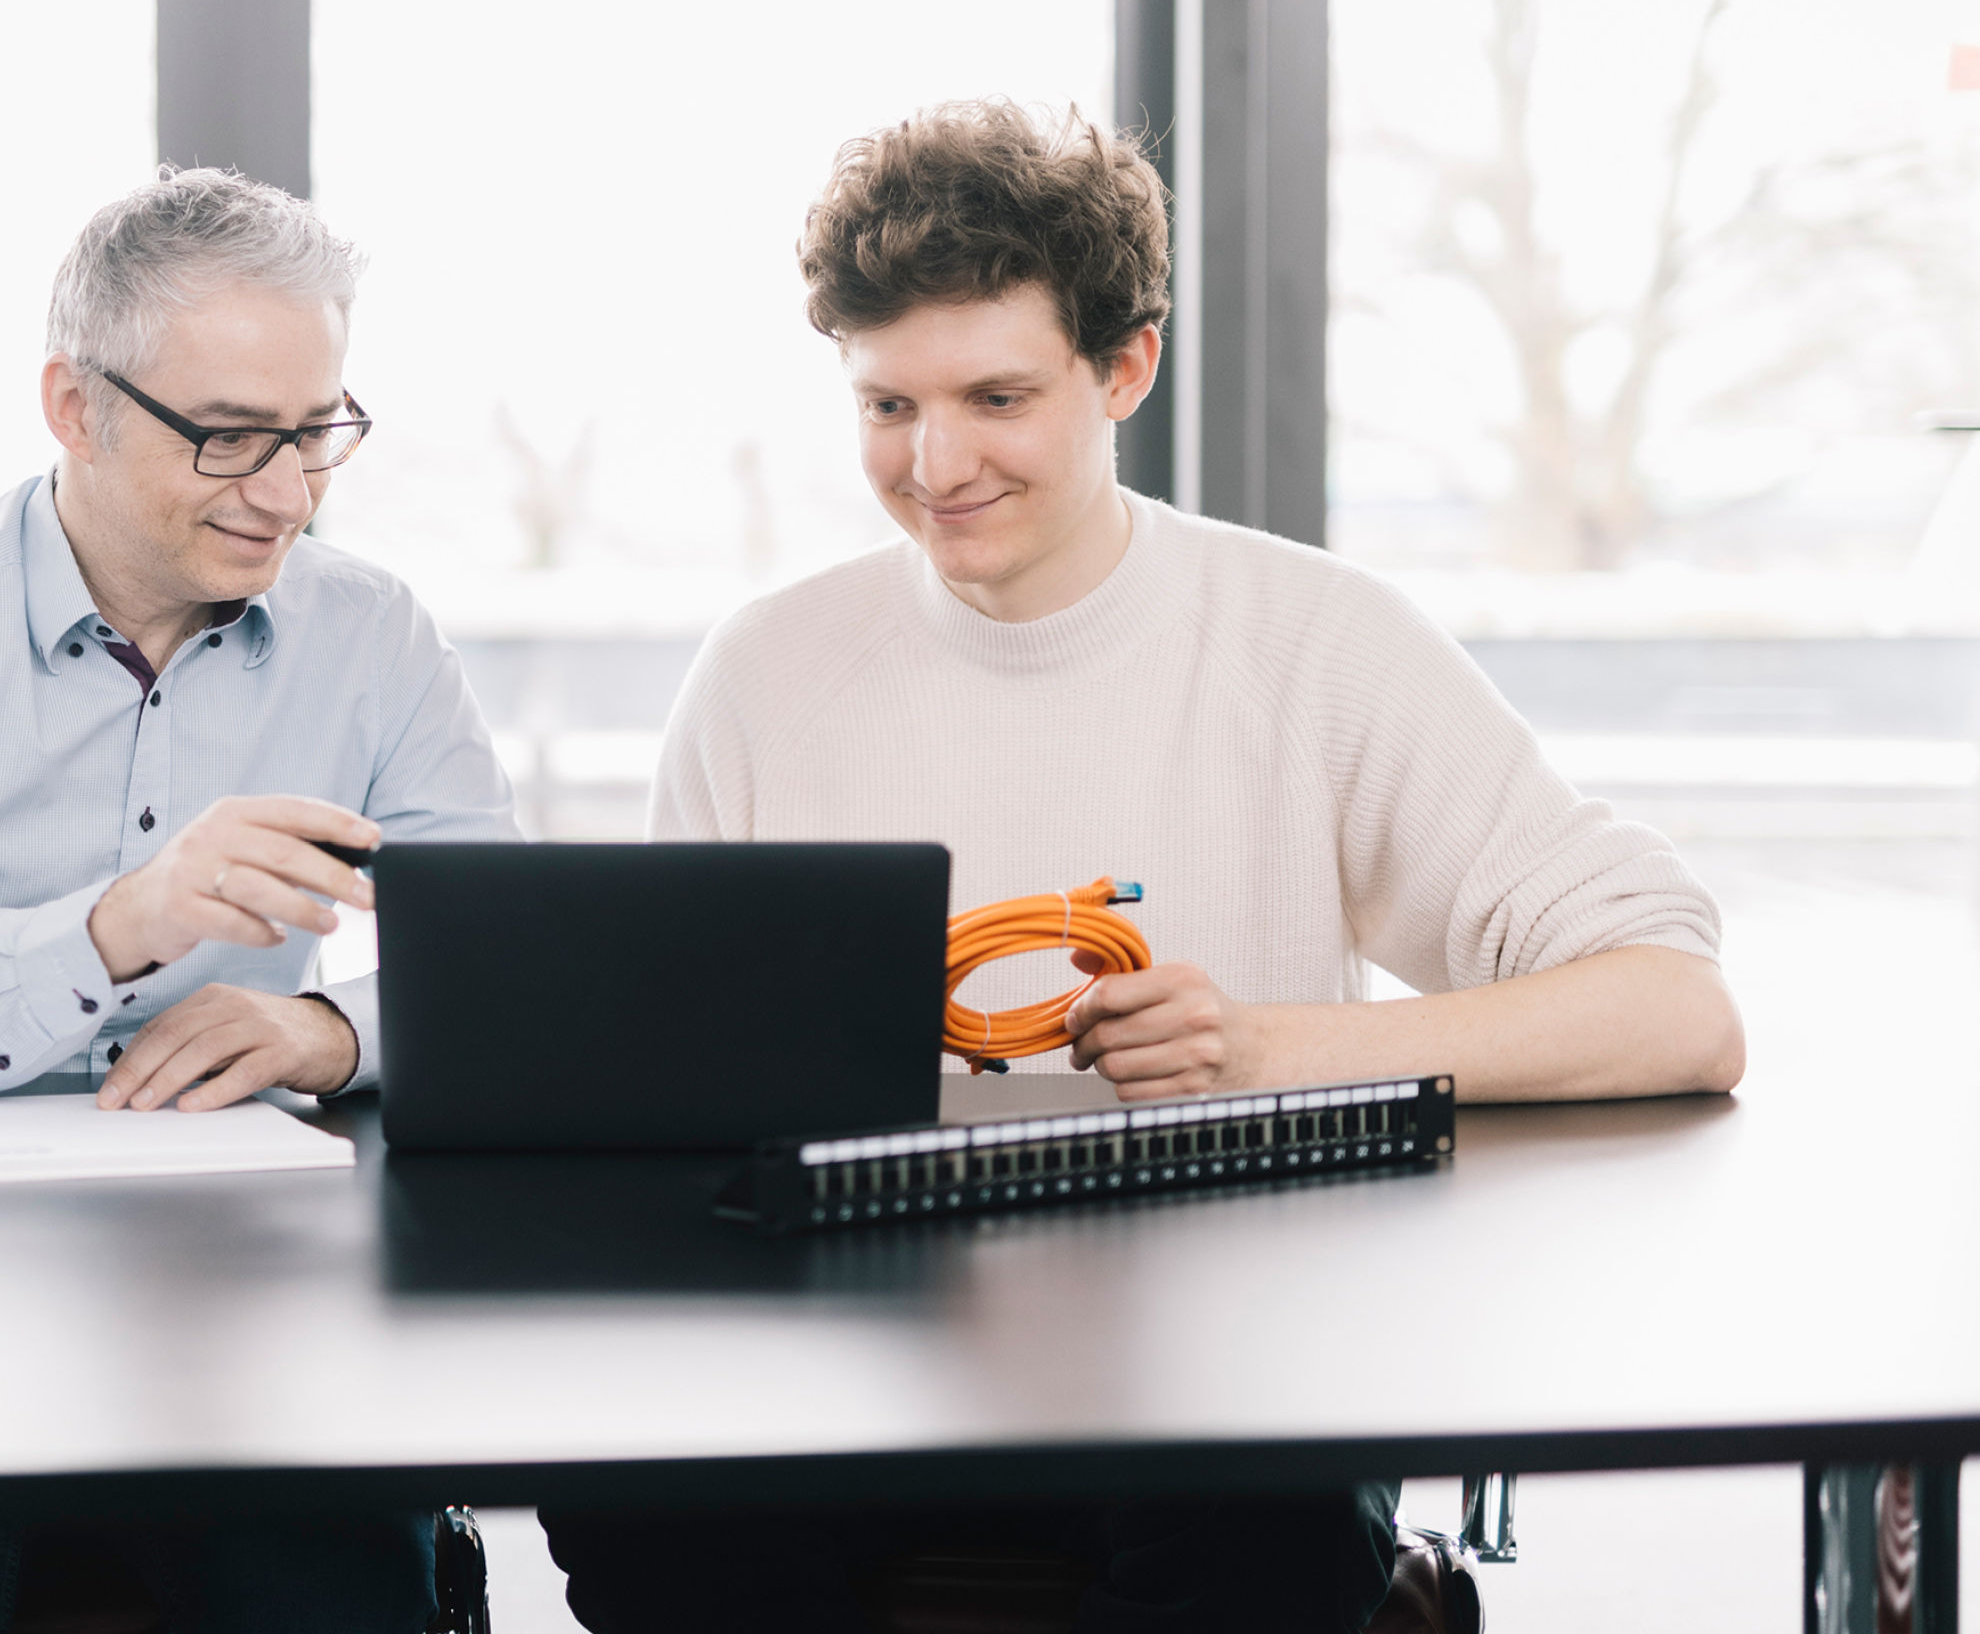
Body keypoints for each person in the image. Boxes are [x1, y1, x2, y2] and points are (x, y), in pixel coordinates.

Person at [542, 101, 1741, 1632]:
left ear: (1125, 369)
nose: (937, 463)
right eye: (888, 406)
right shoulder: (765, 674)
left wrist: (1267, 1051)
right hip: (847, 1347)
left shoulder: (1317, 645)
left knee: (1257, 1539)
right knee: (647, 1514)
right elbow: (673, 1085)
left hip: (1229, 1352)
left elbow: (1675, 1009)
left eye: (995, 396)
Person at [0, 166, 518, 1634]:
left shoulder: (373, 635)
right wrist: (126, 918)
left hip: (252, 1276)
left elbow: (515, 958)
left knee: (325, 1579)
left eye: (316, 433)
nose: (288, 492)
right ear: (76, 406)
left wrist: (330, 1035)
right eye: (230, 439)